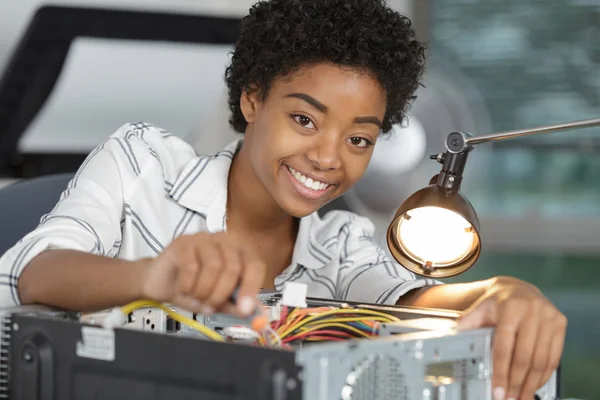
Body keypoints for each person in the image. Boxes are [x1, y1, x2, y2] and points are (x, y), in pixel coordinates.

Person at [0, 1, 565, 399]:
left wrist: (502, 290)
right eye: (303, 119)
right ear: (251, 99)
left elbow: (413, 301)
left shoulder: (339, 245)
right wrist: (154, 277)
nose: (327, 156)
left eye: (358, 139)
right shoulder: (141, 161)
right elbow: (37, 272)